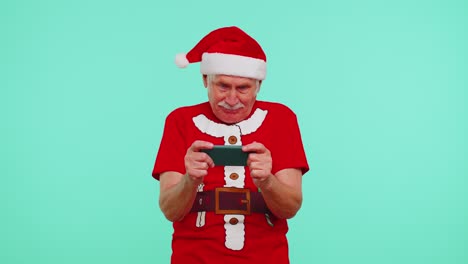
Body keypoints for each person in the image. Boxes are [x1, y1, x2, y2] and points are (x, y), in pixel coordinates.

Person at [152, 26, 309, 264]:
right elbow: (170, 210)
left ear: (258, 85)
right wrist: (190, 180)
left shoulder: (281, 119)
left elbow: (290, 208)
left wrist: (267, 181)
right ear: (205, 79)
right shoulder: (180, 121)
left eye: (243, 88)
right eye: (223, 86)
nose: (232, 99)